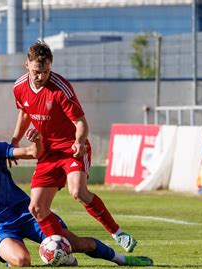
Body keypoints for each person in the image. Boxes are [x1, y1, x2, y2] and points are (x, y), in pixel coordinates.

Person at [0, 113, 152, 267]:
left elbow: (33, 153)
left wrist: (38, 141)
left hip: (26, 213)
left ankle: (122, 260)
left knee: (77, 243)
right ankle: (52, 257)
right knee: (22, 260)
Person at [10, 40, 137, 253]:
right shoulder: (19, 87)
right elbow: (24, 112)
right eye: (36, 72)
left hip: (71, 148)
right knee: (36, 208)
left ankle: (117, 232)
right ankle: (60, 251)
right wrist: (15, 140)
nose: (41, 76)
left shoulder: (61, 88)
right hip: (48, 153)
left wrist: (79, 142)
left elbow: (81, 123)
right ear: (27, 65)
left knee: (77, 191)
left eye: (46, 71)